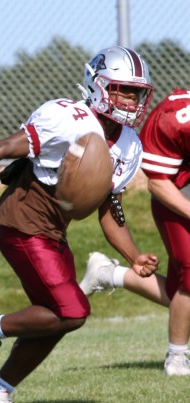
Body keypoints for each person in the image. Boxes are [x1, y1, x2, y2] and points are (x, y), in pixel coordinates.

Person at [0, 46, 159, 403]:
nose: (129, 99)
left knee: (56, 317)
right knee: (72, 311)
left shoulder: (130, 145)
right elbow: (2, 147)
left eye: (135, 92)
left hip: (53, 231)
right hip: (21, 222)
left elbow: (110, 210)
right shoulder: (67, 117)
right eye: (120, 89)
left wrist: (134, 255)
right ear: (97, 86)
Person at [80, 88, 190, 377]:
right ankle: (177, 356)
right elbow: (159, 183)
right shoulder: (174, 117)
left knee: (183, 288)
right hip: (178, 194)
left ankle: (110, 274)